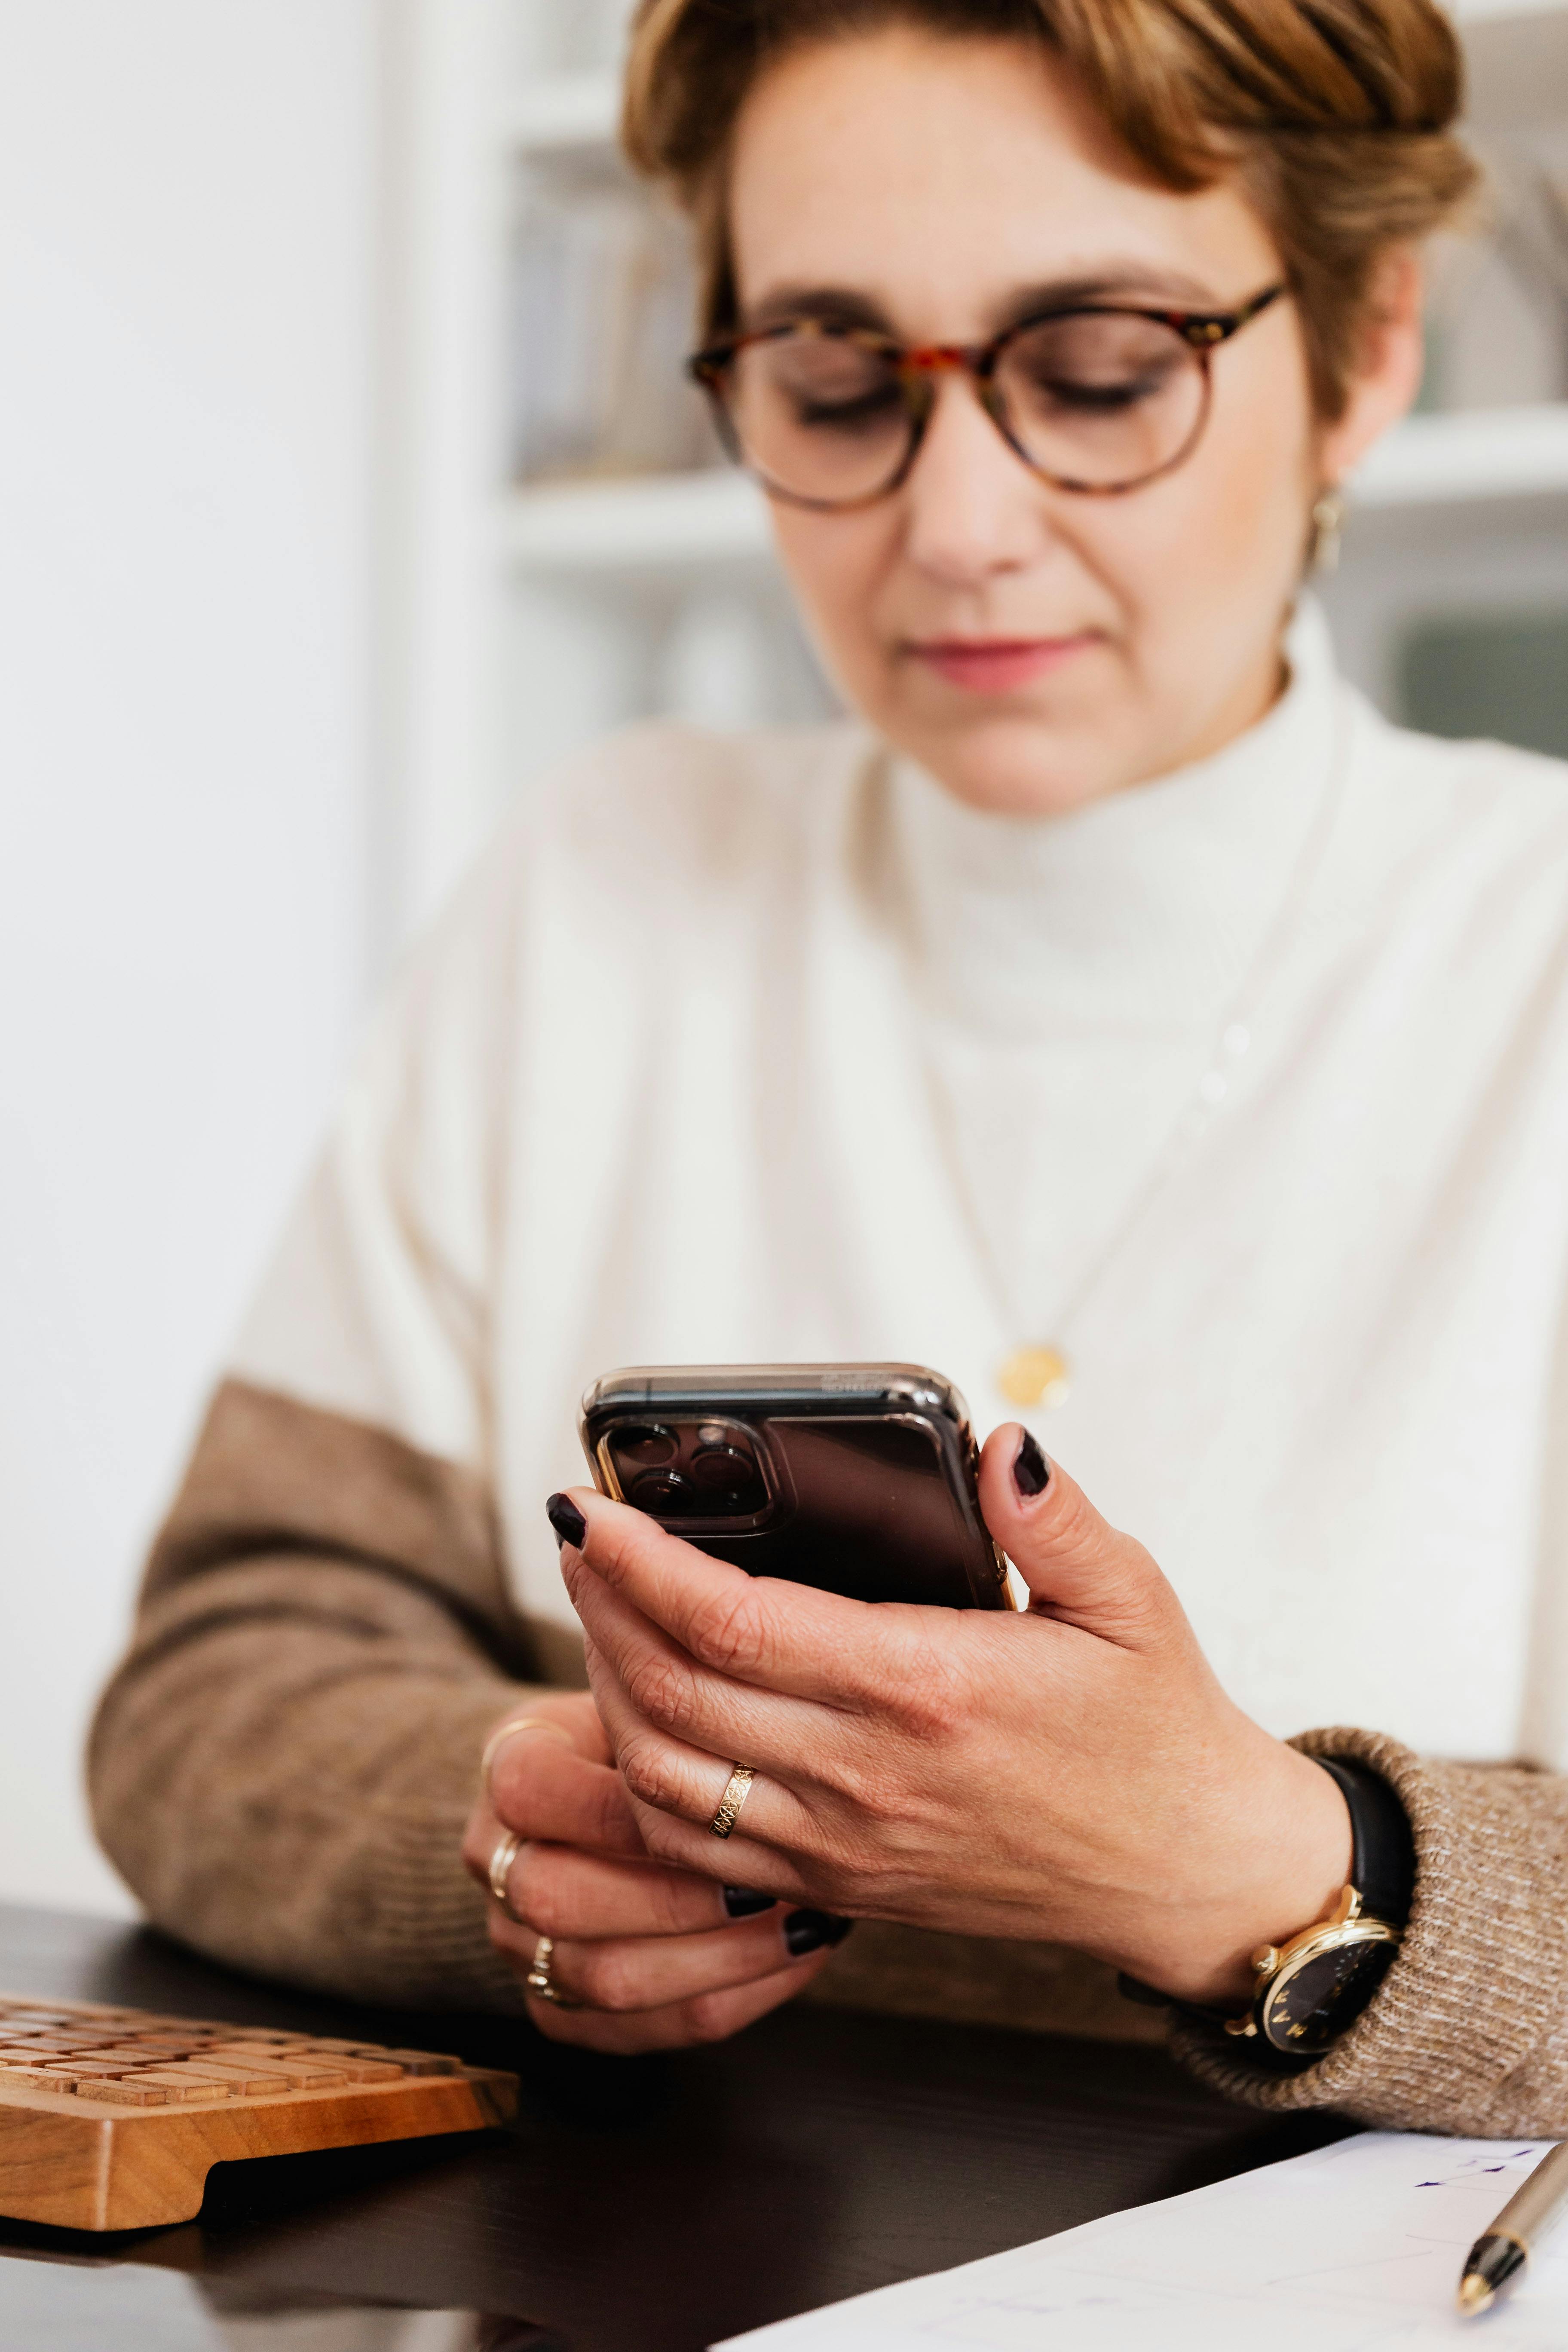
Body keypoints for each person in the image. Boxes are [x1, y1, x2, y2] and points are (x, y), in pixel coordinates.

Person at [89, 0, 1568, 2135]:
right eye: (838, 378)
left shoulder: (1523, 955)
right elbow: (217, 1681)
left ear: (1370, 347)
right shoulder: (600, 885)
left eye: (1100, 372)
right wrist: (510, 1832)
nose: (954, 523)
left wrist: (1263, 1872)